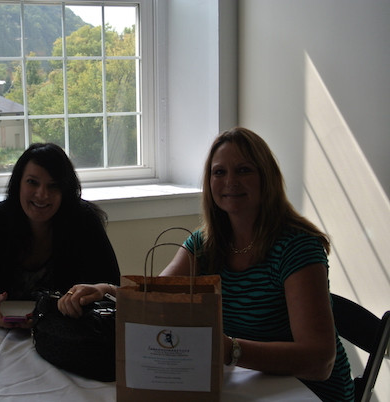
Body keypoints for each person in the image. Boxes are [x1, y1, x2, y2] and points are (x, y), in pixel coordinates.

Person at [58, 128, 354, 402]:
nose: (230, 182)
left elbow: (319, 362)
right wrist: (108, 290)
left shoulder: (297, 247)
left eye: (244, 170)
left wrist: (229, 350)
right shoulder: (204, 244)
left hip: (308, 392)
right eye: (219, 172)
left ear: (267, 177)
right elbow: (157, 301)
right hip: (247, 381)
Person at [0, 143, 120, 329]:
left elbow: (113, 288)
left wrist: (100, 290)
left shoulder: (83, 220)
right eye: (32, 182)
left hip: (64, 332)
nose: (42, 194)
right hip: (1, 331)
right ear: (18, 183)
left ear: (65, 190)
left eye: (53, 186)